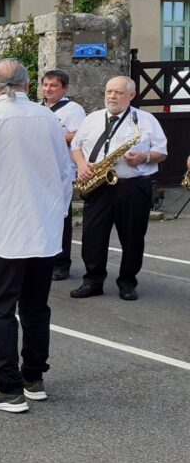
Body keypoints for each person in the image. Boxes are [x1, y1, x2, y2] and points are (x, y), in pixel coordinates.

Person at [0, 59, 72, 413]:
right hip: (44, 227)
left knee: (0, 309)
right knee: (37, 306)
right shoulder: (48, 118)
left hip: (4, 229)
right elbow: (65, 173)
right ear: (26, 84)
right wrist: (57, 215)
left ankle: (7, 386)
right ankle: (33, 377)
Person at [70, 76, 167, 301]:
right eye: (109, 91)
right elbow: (76, 148)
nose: (112, 96)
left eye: (118, 92)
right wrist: (82, 165)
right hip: (98, 186)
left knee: (132, 237)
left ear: (131, 96)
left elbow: (162, 153)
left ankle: (127, 282)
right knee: (93, 236)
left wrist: (144, 157)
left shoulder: (146, 120)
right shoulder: (92, 119)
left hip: (133, 186)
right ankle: (92, 281)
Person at [40, 70, 87, 281]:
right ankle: (43, 260)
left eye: (53, 86)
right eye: (45, 85)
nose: (47, 89)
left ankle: (61, 263)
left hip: (61, 173)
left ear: (64, 89)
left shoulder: (73, 109)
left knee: (61, 218)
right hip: (40, 171)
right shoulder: (38, 108)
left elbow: (79, 135)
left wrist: (53, 137)